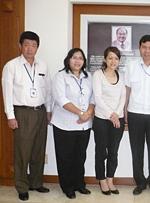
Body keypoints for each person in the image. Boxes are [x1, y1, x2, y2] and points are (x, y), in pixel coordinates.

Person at [1, 31, 52, 201]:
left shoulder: (43, 66)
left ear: (38, 47)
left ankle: (36, 183)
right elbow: (7, 92)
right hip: (22, 112)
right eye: (26, 45)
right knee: (23, 152)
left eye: (34, 45)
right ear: (20, 46)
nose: (30, 49)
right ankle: (22, 186)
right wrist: (10, 115)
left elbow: (48, 89)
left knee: (38, 149)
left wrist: (49, 110)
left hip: (41, 112)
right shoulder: (11, 66)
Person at [124, 35, 150, 197]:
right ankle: (140, 182)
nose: (146, 51)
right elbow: (127, 90)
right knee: (137, 150)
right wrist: (125, 110)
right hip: (135, 114)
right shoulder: (131, 65)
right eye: (144, 47)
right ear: (139, 47)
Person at [51, 48, 95, 199]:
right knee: (65, 157)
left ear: (84, 61)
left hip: (84, 125)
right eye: (74, 58)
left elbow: (93, 99)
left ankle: (79, 184)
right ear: (68, 59)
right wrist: (81, 113)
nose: (77, 61)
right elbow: (61, 100)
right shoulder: (60, 76)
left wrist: (88, 113)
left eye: (80, 58)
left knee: (80, 156)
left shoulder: (88, 77)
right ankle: (67, 187)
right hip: (64, 124)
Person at [92, 46, 126, 195]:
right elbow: (98, 98)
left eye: (116, 58)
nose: (113, 61)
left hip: (117, 119)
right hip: (101, 119)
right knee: (101, 152)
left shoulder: (122, 75)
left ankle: (110, 179)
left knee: (113, 152)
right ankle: (102, 180)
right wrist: (112, 115)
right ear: (105, 59)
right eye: (110, 58)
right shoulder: (98, 75)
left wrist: (117, 114)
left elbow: (123, 97)